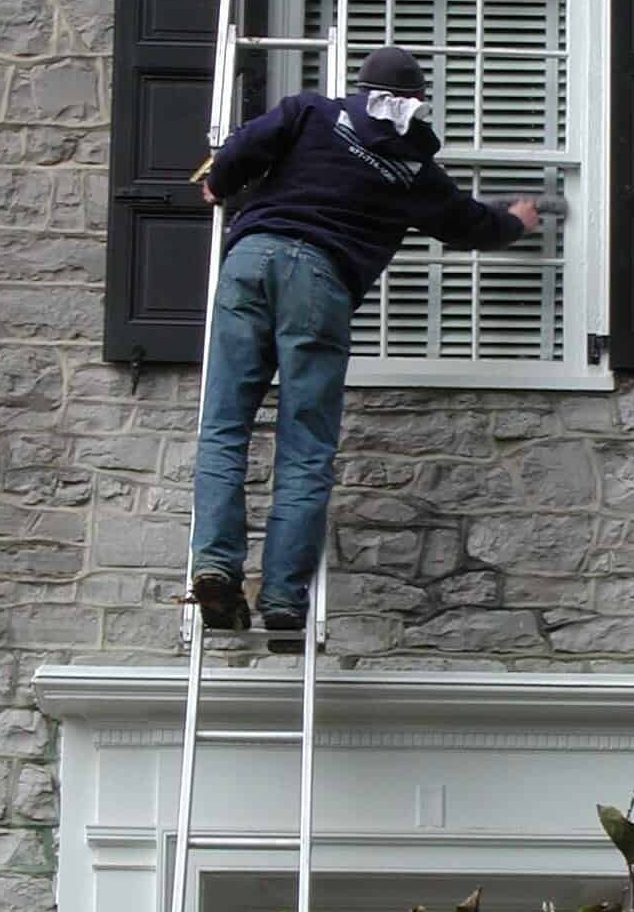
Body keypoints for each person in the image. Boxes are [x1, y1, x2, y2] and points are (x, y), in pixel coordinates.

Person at [190, 45, 540, 635]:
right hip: (320, 282)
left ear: (360, 90)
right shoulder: (413, 170)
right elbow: (468, 223)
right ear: (416, 103)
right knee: (305, 447)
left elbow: (247, 145)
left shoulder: (310, 112)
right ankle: (282, 599)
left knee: (225, 425)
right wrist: (516, 222)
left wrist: (221, 183)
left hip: (252, 261)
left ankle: (216, 567)